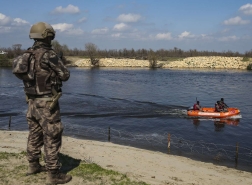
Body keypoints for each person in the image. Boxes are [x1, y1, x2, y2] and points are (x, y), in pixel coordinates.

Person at [13, 22, 71, 184]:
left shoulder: (26, 55)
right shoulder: (49, 55)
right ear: (48, 36)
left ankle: (33, 165)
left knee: (34, 133)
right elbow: (65, 75)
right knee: (53, 135)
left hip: (31, 102)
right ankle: (53, 174)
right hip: (47, 103)